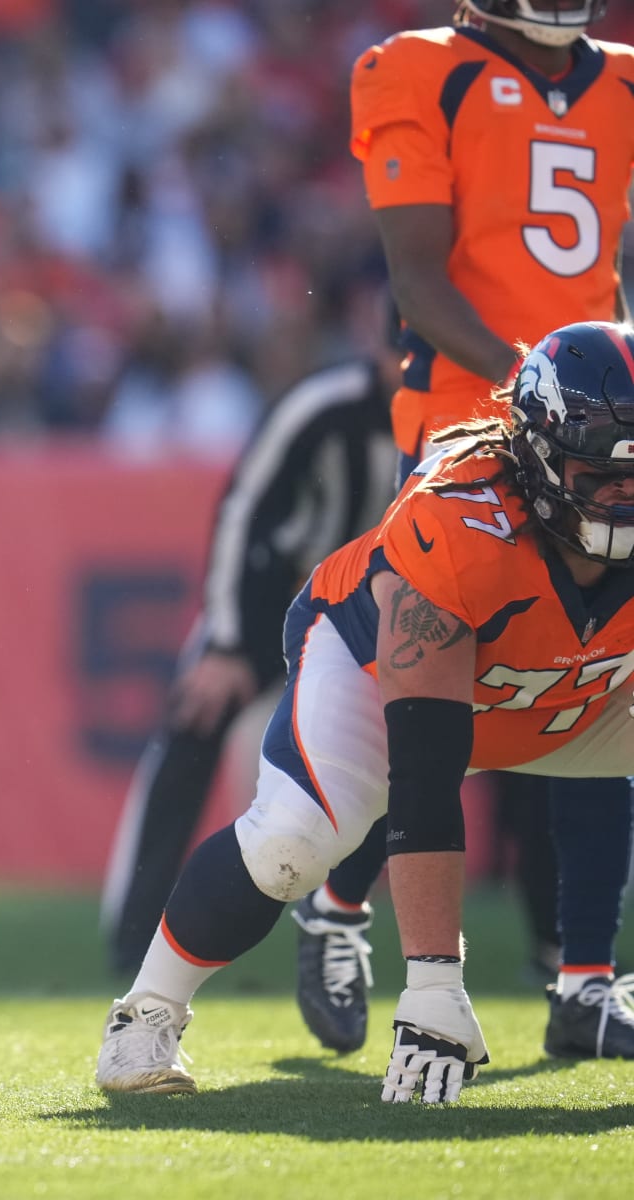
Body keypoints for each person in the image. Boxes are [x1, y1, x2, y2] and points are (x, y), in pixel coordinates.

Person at [96, 319, 634, 1105]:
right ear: (541, 456)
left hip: (573, 696)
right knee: (292, 840)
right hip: (375, 668)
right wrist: (434, 984)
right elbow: (422, 776)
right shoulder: (460, 523)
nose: (626, 494)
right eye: (603, 474)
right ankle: (147, 1012)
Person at [309, 0, 634, 1060]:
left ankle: (586, 980)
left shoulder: (622, 77)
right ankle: (340, 901)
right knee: (443, 710)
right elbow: (417, 276)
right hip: (474, 421)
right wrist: (540, 390)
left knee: (603, 678)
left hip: (607, 427)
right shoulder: (420, 66)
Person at [101, 339, 401, 976]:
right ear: (382, 348)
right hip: (275, 600)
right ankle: (136, 930)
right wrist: (228, 642)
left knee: (389, 752)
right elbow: (244, 508)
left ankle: (337, 927)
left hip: (369, 615)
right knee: (195, 722)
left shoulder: (457, 412)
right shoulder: (324, 405)